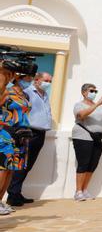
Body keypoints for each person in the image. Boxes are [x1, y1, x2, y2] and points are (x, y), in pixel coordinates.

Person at [7, 71, 53, 206]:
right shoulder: (27, 92)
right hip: (29, 132)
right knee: (22, 163)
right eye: (46, 80)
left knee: (29, 165)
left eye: (50, 81)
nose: (48, 84)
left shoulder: (44, 95)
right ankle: (12, 195)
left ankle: (17, 192)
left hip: (41, 133)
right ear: (37, 80)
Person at [72, 83, 102, 201]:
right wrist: (97, 104)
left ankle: (85, 189)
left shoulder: (100, 108)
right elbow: (81, 115)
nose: (94, 93)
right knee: (83, 163)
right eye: (92, 91)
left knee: (93, 164)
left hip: (97, 138)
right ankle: (78, 191)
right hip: (83, 136)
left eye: (95, 91)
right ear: (84, 92)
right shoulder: (79, 105)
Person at [0, 68, 32, 215]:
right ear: (18, 77)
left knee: (12, 169)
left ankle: (1, 200)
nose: (29, 80)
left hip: (21, 134)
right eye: (27, 77)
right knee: (3, 168)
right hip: (6, 131)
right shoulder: (7, 91)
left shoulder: (25, 95)